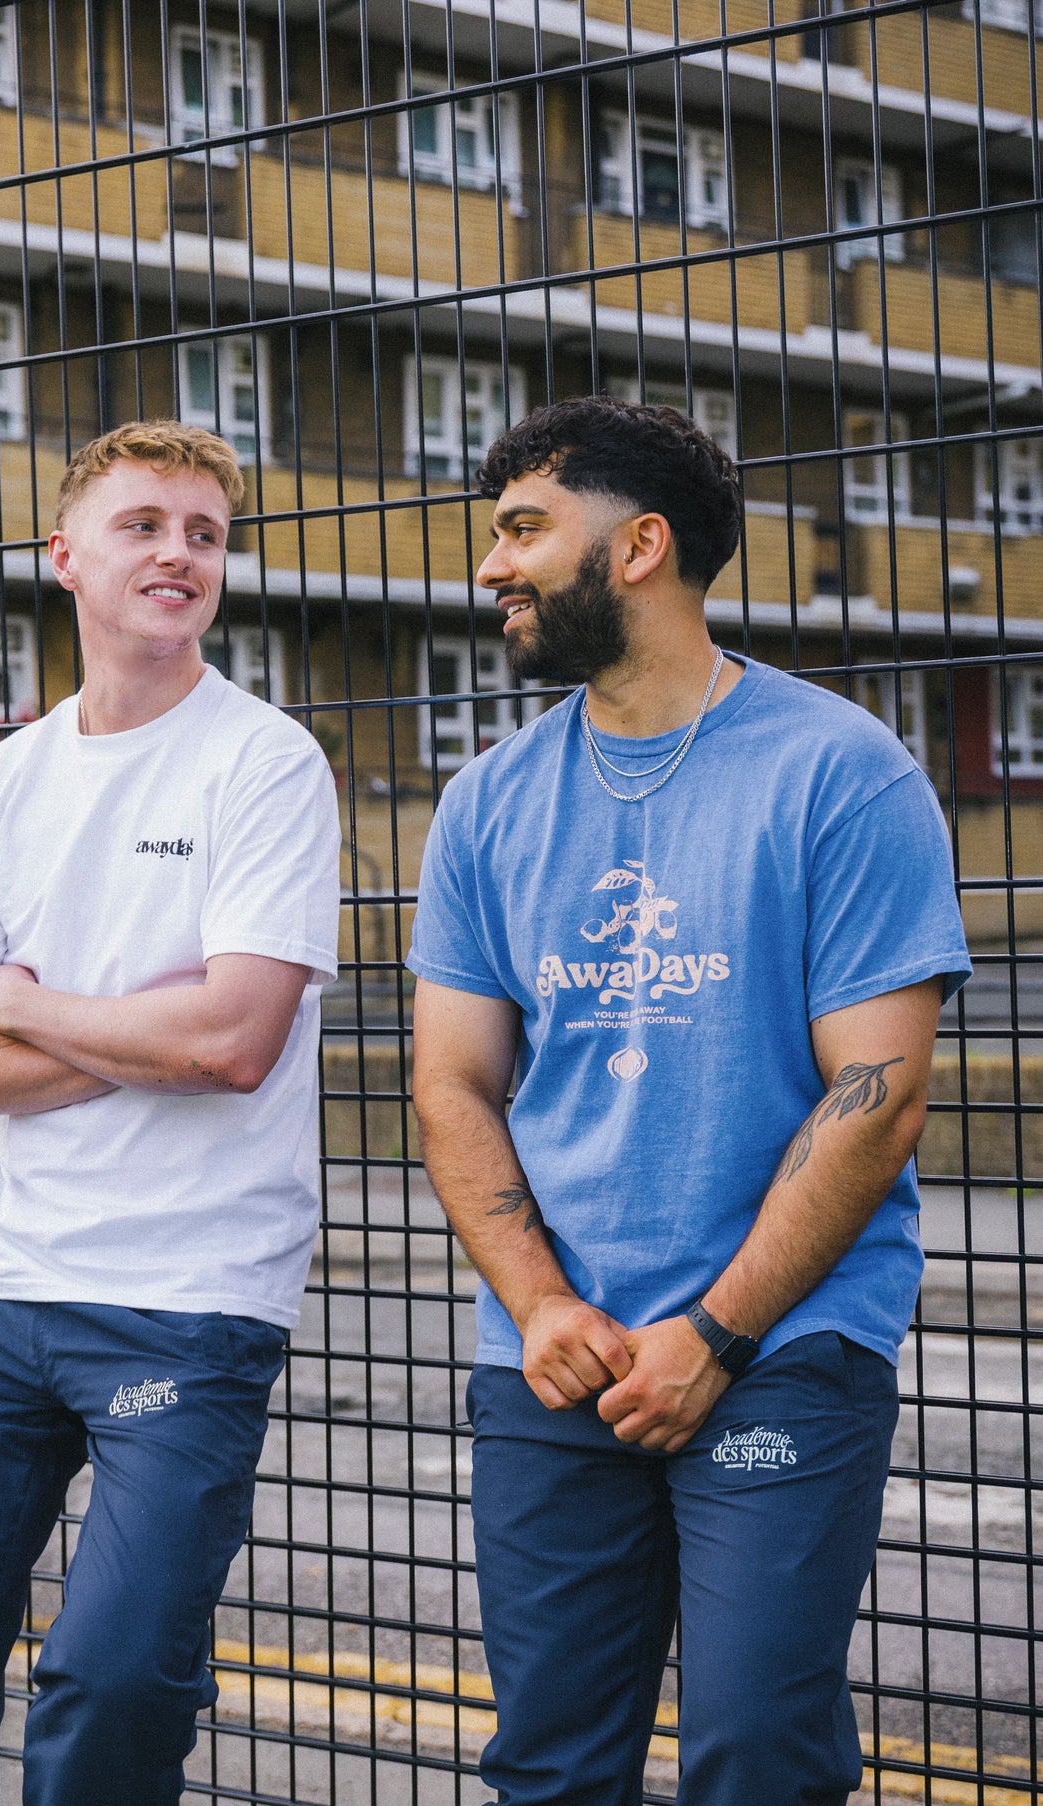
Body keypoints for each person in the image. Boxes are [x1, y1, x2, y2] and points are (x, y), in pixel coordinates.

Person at [407, 396, 970, 1806]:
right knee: (548, 1761)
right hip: (557, 1354)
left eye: (524, 528)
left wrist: (716, 1334)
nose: (493, 566)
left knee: (755, 1754)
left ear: (641, 545)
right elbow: (451, 1082)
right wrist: (540, 1306)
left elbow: (877, 1094)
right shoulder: (485, 805)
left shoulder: (840, 773)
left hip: (780, 1343)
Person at [0, 421, 340, 1806]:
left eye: (205, 532)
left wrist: (28, 1005)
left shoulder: (265, 764)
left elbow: (233, 1041)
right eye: (143, 524)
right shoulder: (2, 783)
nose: (178, 551)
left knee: (114, 1677)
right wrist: (136, 1029)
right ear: (64, 556)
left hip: (192, 1293)